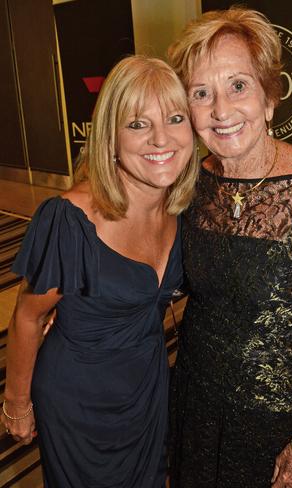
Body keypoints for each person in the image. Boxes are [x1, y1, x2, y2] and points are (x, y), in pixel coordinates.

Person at [167, 7, 292, 488]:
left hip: (276, 425)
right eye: (201, 93)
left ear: (270, 97)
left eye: (238, 85)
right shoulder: (190, 183)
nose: (220, 109)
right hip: (195, 400)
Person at [1, 55, 198, 488]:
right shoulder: (69, 219)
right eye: (137, 124)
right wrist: (17, 401)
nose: (160, 138)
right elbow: (29, 317)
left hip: (147, 387)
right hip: (78, 402)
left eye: (174, 118)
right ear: (110, 137)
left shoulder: (182, 208)